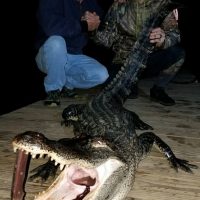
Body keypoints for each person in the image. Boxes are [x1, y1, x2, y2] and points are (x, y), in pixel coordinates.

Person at [94, 0, 185, 106]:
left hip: (147, 59)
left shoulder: (164, 4)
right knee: (107, 93)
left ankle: (158, 89)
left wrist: (163, 40)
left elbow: (175, 34)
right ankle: (132, 85)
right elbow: (107, 40)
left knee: (178, 53)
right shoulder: (119, 4)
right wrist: (94, 30)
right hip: (123, 62)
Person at [35, 0, 109, 106]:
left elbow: (104, 19)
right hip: (48, 55)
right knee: (56, 42)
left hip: (74, 56)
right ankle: (53, 90)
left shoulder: (90, 3)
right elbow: (51, 26)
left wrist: (96, 19)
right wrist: (83, 25)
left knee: (102, 74)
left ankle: (66, 84)